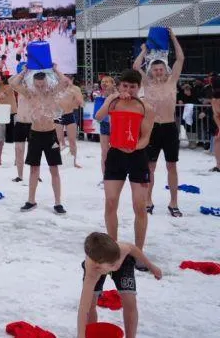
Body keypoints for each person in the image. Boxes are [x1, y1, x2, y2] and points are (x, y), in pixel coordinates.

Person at [94, 70, 154, 253]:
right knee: (111, 201)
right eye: (125, 86)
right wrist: (112, 98)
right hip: (115, 156)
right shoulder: (114, 101)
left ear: (139, 88)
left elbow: (146, 138)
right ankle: (112, 248)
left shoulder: (145, 107)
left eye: (133, 87)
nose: (128, 90)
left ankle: (138, 250)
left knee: (139, 205)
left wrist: (135, 147)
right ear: (119, 86)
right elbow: (98, 116)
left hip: (137, 157)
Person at [133, 29, 184, 217]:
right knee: (150, 166)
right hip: (153, 128)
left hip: (170, 128)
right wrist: (144, 50)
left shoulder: (172, 82)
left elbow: (180, 59)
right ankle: (148, 200)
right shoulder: (147, 83)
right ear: (151, 71)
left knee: (172, 166)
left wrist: (173, 37)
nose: (158, 71)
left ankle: (173, 202)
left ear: (165, 69)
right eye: (155, 69)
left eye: (161, 68)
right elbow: (136, 66)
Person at [77, 232, 162, 338]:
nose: (115, 266)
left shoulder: (119, 249)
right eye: (112, 264)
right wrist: (81, 335)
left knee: (130, 301)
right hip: (98, 269)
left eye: (116, 261)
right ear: (98, 266)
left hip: (125, 263)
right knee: (90, 304)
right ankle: (91, 334)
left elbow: (132, 248)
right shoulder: (92, 272)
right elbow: (83, 308)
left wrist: (151, 266)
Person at [9, 66, 70, 214]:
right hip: (35, 134)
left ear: (46, 82)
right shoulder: (30, 94)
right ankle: (31, 200)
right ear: (34, 84)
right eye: (38, 85)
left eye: (42, 84)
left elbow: (65, 82)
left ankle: (58, 202)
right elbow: (13, 83)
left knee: (54, 168)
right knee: (34, 168)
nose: (41, 88)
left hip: (50, 135)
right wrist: (24, 71)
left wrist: (55, 69)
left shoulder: (52, 92)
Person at [55, 76, 85, 168]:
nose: (66, 81)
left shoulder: (75, 89)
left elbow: (81, 103)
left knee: (72, 140)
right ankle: (56, 160)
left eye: (69, 79)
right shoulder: (57, 87)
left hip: (69, 114)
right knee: (58, 139)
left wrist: (74, 94)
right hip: (58, 115)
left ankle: (74, 161)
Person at [0, 74, 17, 167]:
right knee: (0, 139)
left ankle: (17, 159)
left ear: (3, 80)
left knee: (17, 139)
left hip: (12, 113)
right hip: (1, 115)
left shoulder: (10, 87)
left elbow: (3, 95)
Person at [97, 76, 117, 180]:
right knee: (104, 151)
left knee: (117, 151)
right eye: (103, 82)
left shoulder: (117, 95)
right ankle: (105, 176)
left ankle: (116, 175)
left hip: (117, 125)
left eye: (107, 82)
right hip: (104, 124)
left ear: (113, 83)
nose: (104, 84)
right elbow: (97, 114)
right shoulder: (99, 95)